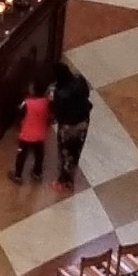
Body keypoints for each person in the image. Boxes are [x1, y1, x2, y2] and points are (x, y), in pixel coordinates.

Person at [50, 63, 92, 191]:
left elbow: (57, 112)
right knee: (76, 150)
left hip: (68, 126)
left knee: (65, 152)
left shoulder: (60, 93)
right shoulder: (80, 80)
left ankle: (62, 180)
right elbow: (87, 94)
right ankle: (70, 179)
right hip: (83, 122)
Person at [13, 80, 53, 184]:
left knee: (22, 155)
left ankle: (18, 175)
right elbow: (50, 117)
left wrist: (18, 128)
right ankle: (37, 173)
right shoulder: (47, 103)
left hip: (26, 135)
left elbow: (19, 115)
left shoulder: (26, 103)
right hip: (40, 135)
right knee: (39, 154)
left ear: (33, 90)